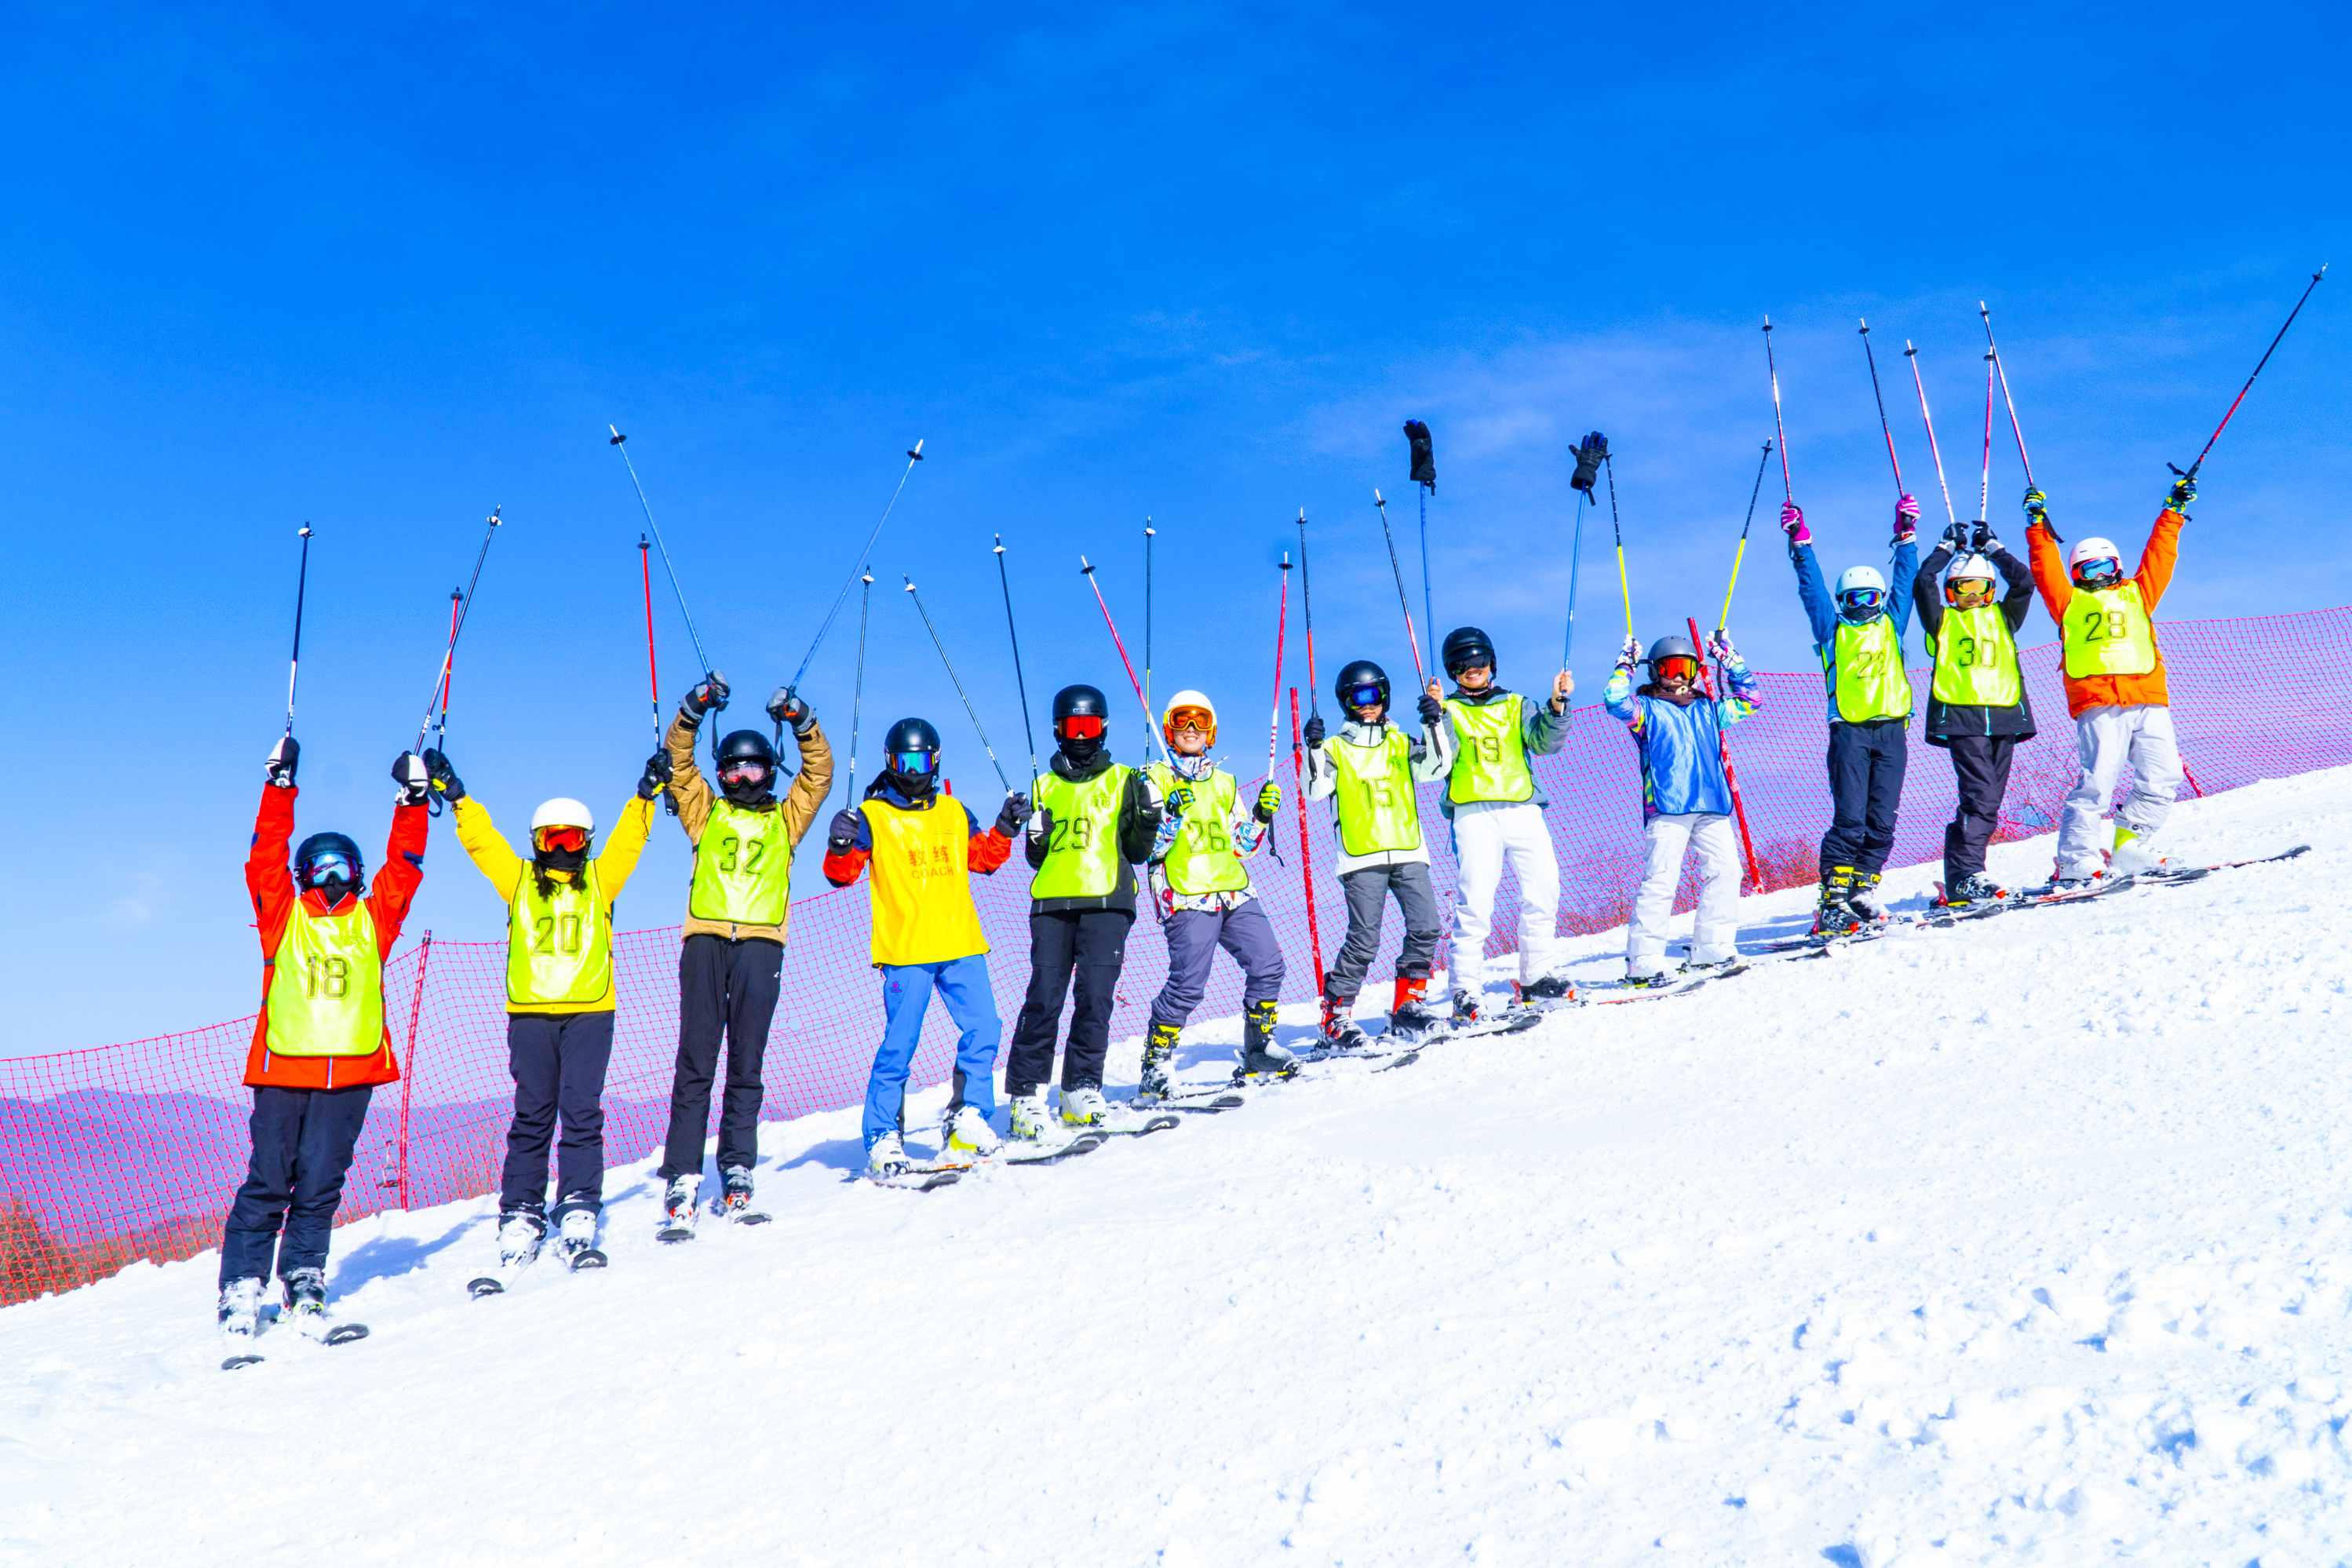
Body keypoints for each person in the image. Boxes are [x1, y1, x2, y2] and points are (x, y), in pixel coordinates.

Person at [218, 738, 428, 1349]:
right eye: (320, 868)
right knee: (269, 1180)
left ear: (359, 877)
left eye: (343, 868)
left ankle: (304, 1276)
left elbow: (407, 865)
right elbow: (262, 860)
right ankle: (242, 1286)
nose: (332, 879)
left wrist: (412, 801)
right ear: (303, 875)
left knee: (319, 1184)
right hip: (285, 1071)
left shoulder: (374, 921)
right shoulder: (282, 917)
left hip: (351, 1075)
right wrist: (280, 788)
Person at [428, 743, 662, 1271]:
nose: (562, 848)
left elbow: (631, 841)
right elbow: (483, 845)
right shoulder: (518, 884)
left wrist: (647, 793)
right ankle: (522, 1209)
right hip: (531, 1015)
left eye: (573, 838)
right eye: (552, 838)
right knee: (533, 1114)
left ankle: (578, 1203)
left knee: (581, 1110)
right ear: (536, 843)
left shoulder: (602, 882)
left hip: (589, 1013)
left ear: (586, 844)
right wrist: (457, 795)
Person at [653, 674, 832, 1238]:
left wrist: (800, 719)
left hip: (761, 945)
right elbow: (678, 761)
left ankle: (736, 1166)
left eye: (755, 769)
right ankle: (683, 1173)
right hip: (705, 942)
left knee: (746, 1063)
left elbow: (819, 771)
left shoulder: (786, 819)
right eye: (733, 769)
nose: (744, 778)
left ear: (769, 773)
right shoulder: (704, 813)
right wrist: (694, 708)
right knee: (695, 1063)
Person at [822, 717, 1026, 1176]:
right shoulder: (872, 817)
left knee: (985, 1029)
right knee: (900, 1044)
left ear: (935, 760)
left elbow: (984, 859)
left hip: (960, 941)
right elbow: (841, 874)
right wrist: (839, 843)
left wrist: (1004, 828)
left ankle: (968, 1118)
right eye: (902, 760)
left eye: (920, 759)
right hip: (906, 950)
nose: (912, 769)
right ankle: (881, 1136)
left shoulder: (954, 812)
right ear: (890, 762)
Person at [1005, 684, 1164, 1139]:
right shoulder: (1043, 785)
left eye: (1089, 725)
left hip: (1108, 903)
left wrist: (1148, 817)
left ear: (1103, 727)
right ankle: (1025, 1096)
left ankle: (1080, 1089)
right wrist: (1033, 837)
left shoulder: (1125, 779)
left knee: (1095, 999)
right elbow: (1038, 859)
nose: (1080, 734)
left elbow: (1135, 848)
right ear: (1058, 730)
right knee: (1043, 1000)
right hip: (1053, 906)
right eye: (1072, 726)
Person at [2024, 473, 2193, 884]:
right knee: (2097, 782)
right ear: (2076, 572)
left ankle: (2131, 845)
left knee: (2163, 774)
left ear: (2116, 566)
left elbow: (2160, 557)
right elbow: (2044, 568)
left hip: (2148, 698)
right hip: (2099, 702)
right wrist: (2037, 526)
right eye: (2085, 568)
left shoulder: (2139, 593)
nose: (2095, 575)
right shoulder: (2068, 602)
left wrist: (2173, 512)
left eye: (2102, 566)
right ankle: (2076, 859)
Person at [1137, 691, 1291, 1096]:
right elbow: (1146, 849)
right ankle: (1156, 1065)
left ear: (1212, 731)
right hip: (1186, 893)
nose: (1191, 729)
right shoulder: (1153, 778)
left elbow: (1243, 846)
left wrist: (1259, 816)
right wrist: (1169, 813)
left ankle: (1258, 1048)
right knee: (1189, 983)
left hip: (1233, 890)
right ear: (1168, 729)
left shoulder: (1225, 781)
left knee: (1269, 963)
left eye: (1200, 721)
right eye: (1182, 720)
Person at [1784, 494, 1921, 934]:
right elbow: (1812, 593)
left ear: (1880, 599)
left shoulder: (1892, 625)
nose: (1863, 605)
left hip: (1892, 732)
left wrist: (1906, 538)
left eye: (1870, 597)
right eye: (1853, 598)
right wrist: (1801, 546)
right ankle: (1833, 898)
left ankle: (1862, 888)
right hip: (1850, 733)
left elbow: (1907, 582)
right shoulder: (1833, 630)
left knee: (1883, 818)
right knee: (1850, 818)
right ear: (1843, 602)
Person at [1300, 659, 1454, 1045]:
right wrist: (1314, 749)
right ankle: (1335, 1015)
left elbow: (1437, 768)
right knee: (1365, 939)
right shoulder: (1335, 748)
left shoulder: (1402, 743)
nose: (1366, 704)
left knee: (1427, 927)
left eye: (1372, 696)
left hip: (1408, 850)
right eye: (1356, 698)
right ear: (1345, 703)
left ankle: (1408, 1005)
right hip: (1361, 857)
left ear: (1384, 696)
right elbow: (1314, 790)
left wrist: (1434, 722)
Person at [1429, 625, 1574, 1019]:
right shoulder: (1450, 709)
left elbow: (1545, 743)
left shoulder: (1516, 703)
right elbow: (1439, 758)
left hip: (1522, 809)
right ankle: (1465, 990)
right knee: (1476, 901)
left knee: (1544, 891)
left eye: (1477, 660)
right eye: (1461, 664)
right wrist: (1435, 717)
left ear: (1491, 662)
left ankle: (1536, 976)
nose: (1471, 669)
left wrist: (1558, 706)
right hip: (1473, 813)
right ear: (1452, 671)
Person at [1602, 630, 1760, 983]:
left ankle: (1712, 947)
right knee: (1661, 879)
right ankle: (1643, 959)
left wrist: (1731, 661)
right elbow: (1613, 699)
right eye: (1670, 667)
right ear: (1656, 671)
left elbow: (1751, 698)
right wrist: (1625, 665)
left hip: (1711, 802)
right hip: (1668, 805)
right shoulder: (1644, 711)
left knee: (1726, 871)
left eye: (1685, 668)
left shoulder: (1709, 710)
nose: (1677, 676)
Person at [1912, 516, 2038, 906]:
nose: (1972, 594)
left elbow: (2025, 583)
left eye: (1980, 587)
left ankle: (1959, 881)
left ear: (1989, 589)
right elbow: (1922, 584)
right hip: (1963, 718)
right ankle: (1969, 873)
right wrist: (1944, 550)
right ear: (1952, 591)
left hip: (2003, 716)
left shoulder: (2005, 616)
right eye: (1963, 587)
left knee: (1986, 801)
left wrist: (1995, 550)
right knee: (1980, 796)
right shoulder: (1943, 622)